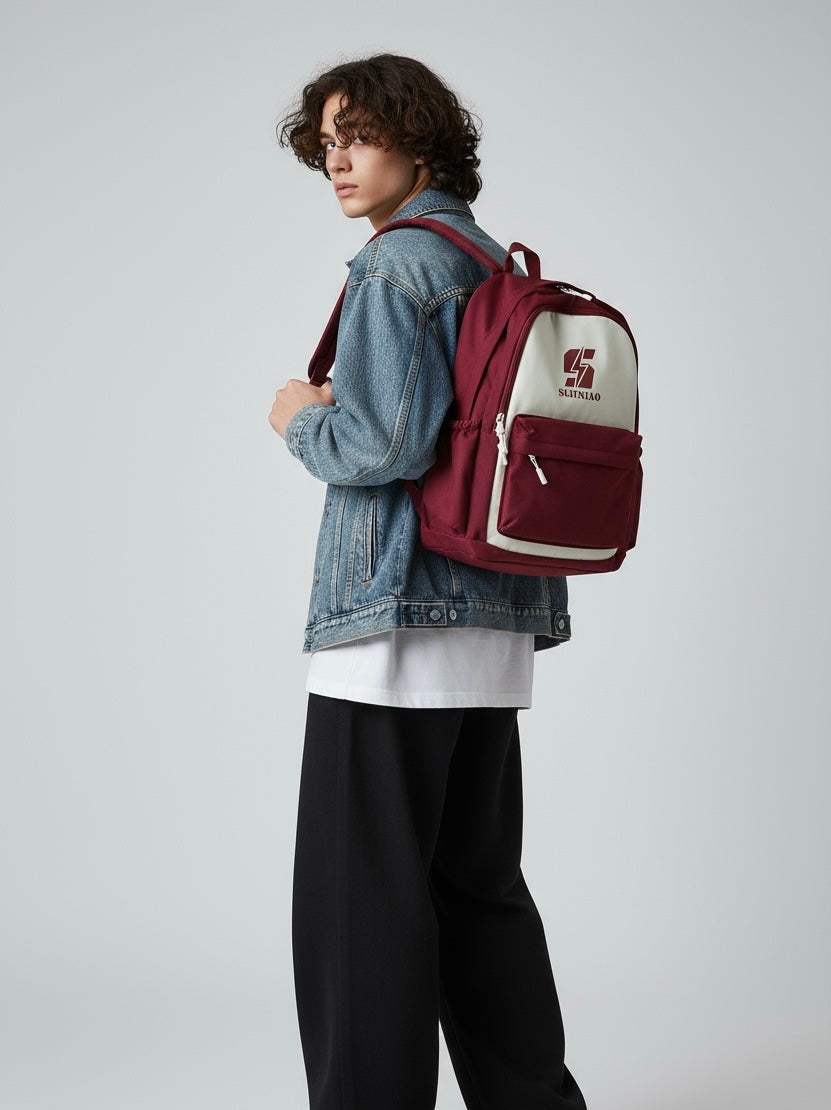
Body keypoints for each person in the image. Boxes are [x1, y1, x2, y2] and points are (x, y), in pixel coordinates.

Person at [270, 54, 587, 1110]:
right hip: (493, 618)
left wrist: (297, 419)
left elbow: (383, 445)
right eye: (326, 144)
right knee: (476, 894)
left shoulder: (397, 263)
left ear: (419, 138)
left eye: (358, 136)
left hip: (393, 620)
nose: (338, 161)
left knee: (358, 908)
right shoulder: (489, 260)